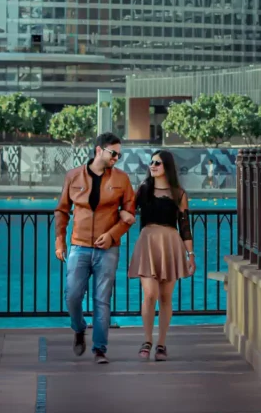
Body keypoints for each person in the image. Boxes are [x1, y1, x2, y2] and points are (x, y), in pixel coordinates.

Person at [54, 132, 136, 365]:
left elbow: (130, 215)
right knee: (72, 295)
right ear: (99, 150)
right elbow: (61, 210)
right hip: (78, 246)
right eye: (113, 153)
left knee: (102, 299)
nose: (116, 158)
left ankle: (100, 349)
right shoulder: (73, 176)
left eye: (119, 155)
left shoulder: (122, 179)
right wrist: (59, 241)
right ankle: (79, 328)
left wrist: (112, 236)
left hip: (108, 249)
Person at [127, 149, 195, 362]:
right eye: (151, 162)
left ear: (167, 166)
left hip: (170, 244)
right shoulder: (144, 189)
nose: (152, 166)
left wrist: (190, 254)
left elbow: (185, 226)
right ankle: (147, 340)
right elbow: (127, 211)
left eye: (157, 163)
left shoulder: (179, 194)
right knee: (150, 294)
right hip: (147, 242)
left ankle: (162, 344)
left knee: (166, 297)